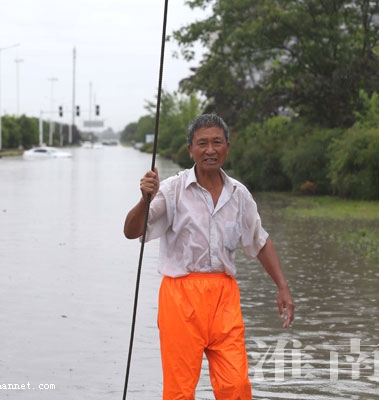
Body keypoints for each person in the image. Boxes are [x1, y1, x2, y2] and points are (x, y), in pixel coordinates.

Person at [124, 114, 295, 399]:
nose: (210, 150)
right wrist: (145, 199)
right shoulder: (172, 189)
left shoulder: (239, 193)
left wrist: (283, 286)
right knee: (179, 391)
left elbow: (260, 241)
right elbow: (132, 231)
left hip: (224, 297)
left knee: (236, 386)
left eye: (217, 142)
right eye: (202, 143)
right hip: (180, 297)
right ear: (190, 149)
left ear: (227, 146)